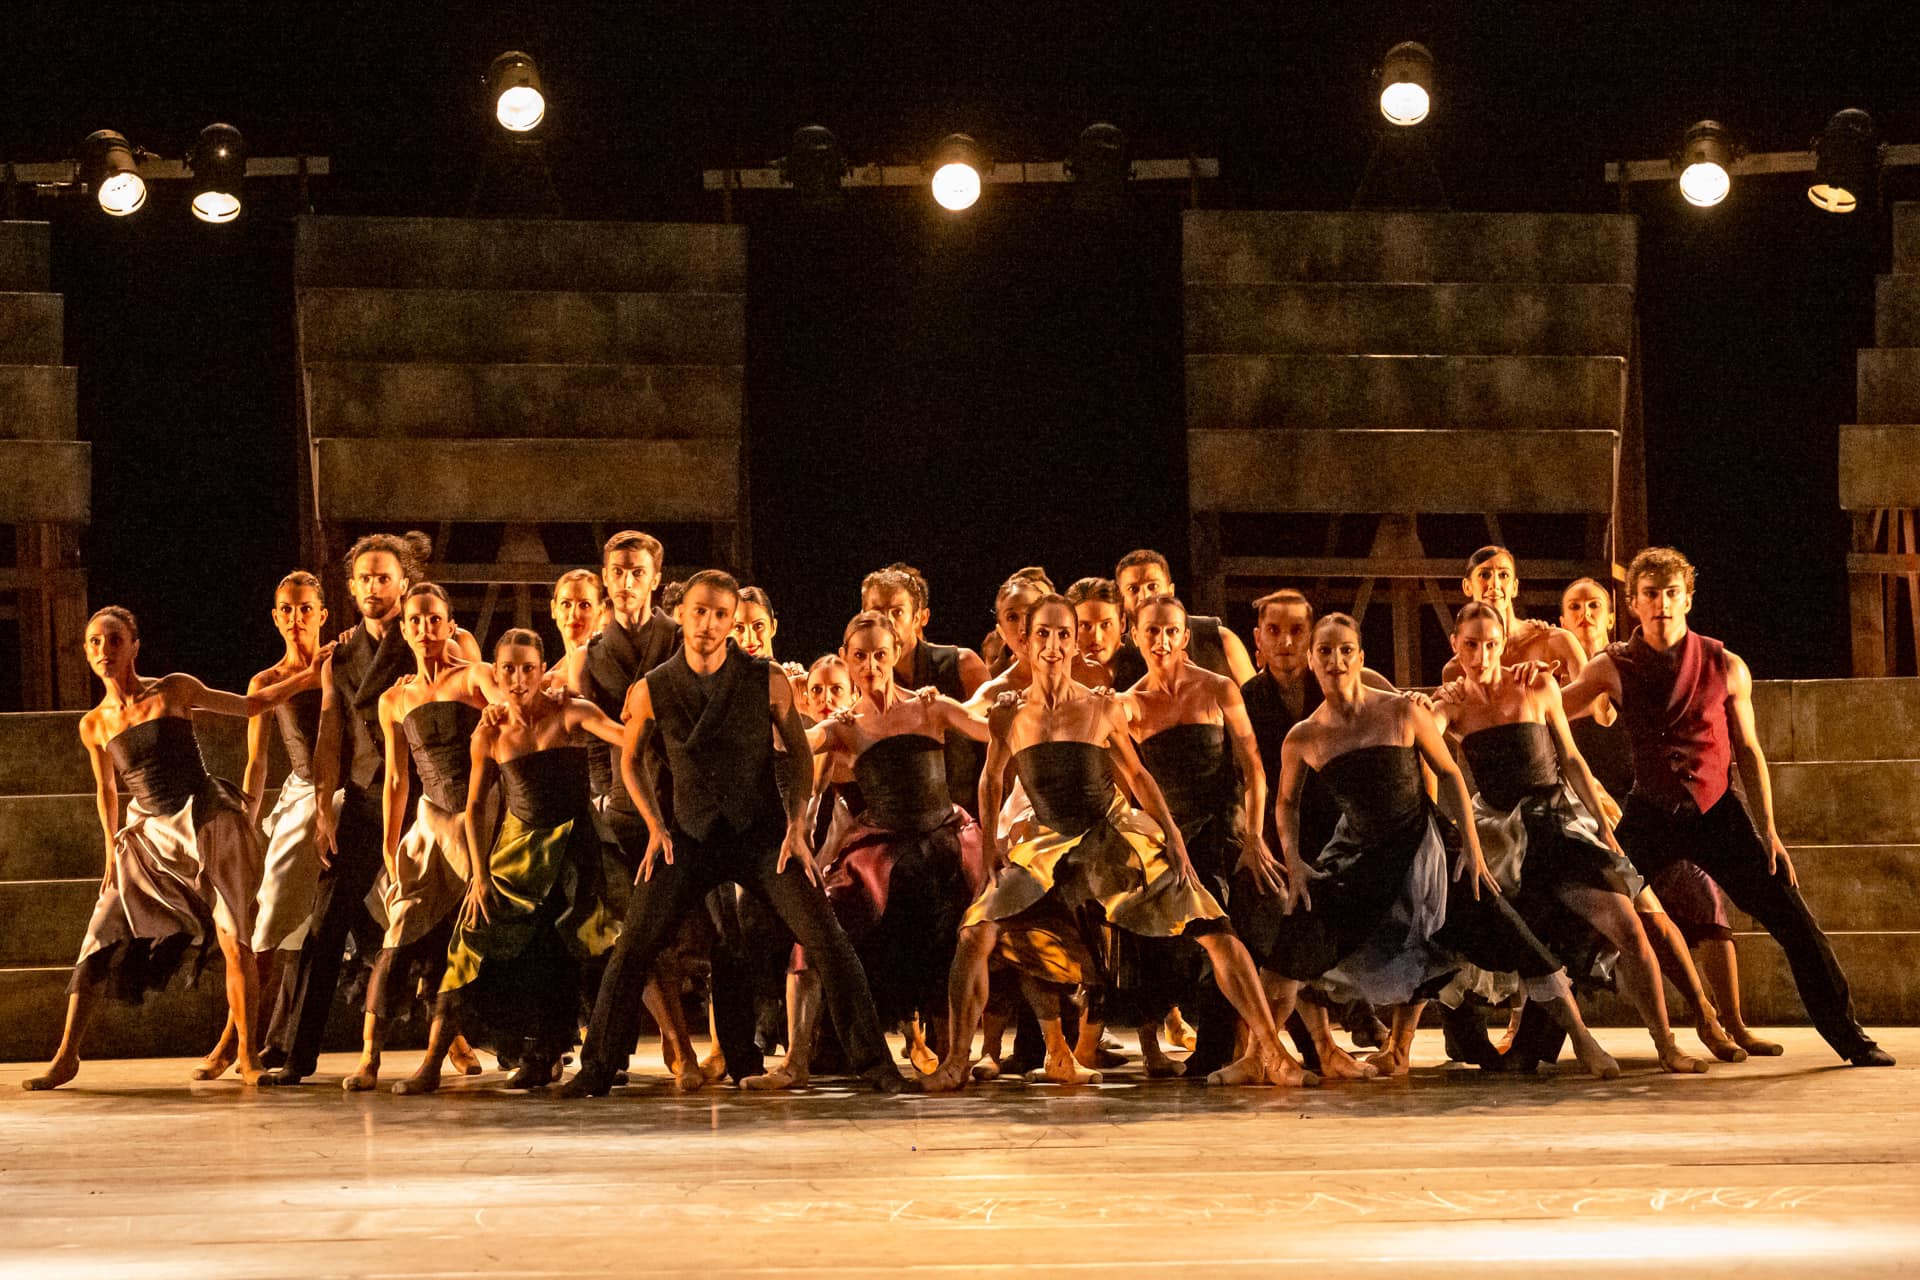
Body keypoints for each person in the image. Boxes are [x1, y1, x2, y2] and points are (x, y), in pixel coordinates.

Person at [922, 594, 1314, 1090]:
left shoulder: (1101, 707)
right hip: (1046, 843)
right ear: (1027, 640)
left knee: (1213, 925)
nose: (1053, 645)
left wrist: (1171, 836)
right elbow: (991, 778)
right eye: (1043, 634)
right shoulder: (1009, 713)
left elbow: (1138, 775)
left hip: (1110, 833)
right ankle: (957, 1060)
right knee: (975, 930)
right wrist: (993, 850)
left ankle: (1274, 1054)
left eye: (1063, 635)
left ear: (1072, 643)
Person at [557, 571, 906, 1096]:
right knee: (633, 945)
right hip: (688, 837)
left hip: (761, 834)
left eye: (721, 614)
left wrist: (794, 826)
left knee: (826, 938)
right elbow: (629, 761)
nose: (709, 623)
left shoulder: (765, 679)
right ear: (684, 615)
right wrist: (655, 825)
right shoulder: (654, 687)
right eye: (700, 612)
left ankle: (876, 1065)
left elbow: (797, 757)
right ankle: (597, 1069)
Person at [1559, 547, 1893, 1067]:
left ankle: (1852, 1039)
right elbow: (1552, 711)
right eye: (1651, 594)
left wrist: (1770, 831)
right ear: (1635, 604)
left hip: (1718, 814)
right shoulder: (1613, 665)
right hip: (1650, 813)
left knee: (1794, 921)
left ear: (1688, 599)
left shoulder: (1724, 663)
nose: (1663, 604)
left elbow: (1750, 751)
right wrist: (1513, 684)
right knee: (1585, 916)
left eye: (1672, 594)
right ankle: (1533, 1044)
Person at [1263, 613, 1621, 1080]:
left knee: (1510, 930)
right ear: (1312, 660)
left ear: (1361, 657)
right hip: (1360, 859)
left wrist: (1471, 847)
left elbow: (1450, 773)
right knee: (1298, 936)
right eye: (1325, 651)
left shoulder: (1399, 711)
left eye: (1346, 650)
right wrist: (1293, 862)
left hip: (1427, 850)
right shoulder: (1304, 736)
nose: (1336, 660)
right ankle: (1267, 1054)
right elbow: (1285, 801)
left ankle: (1583, 1038)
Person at [24, 607, 326, 1090]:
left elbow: (250, 706)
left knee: (235, 938)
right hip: (148, 835)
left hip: (205, 818)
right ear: (86, 651)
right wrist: (109, 853)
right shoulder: (94, 725)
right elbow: (107, 791)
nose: (104, 651)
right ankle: (66, 1056)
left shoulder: (173, 689)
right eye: (95, 643)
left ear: (134, 644)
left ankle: (247, 1055)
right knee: (99, 933)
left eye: (114, 640)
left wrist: (307, 676)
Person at [1426, 602, 1709, 1074]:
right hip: (1502, 834)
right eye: (1471, 645)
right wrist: (1414, 706)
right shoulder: (1451, 703)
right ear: (1455, 646)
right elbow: (1425, 746)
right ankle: (1499, 1040)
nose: (1481, 655)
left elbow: (1573, 759)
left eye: (1491, 644)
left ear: (1504, 643)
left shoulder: (1535, 683)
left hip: (1557, 823)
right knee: (1499, 936)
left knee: (1629, 924)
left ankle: (1668, 1045)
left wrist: (1602, 825)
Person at [745, 612, 990, 1090]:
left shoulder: (929, 707)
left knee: (961, 936)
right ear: (847, 659)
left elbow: (984, 724)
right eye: (860, 656)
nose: (871, 665)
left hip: (944, 840)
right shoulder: (845, 724)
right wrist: (787, 706)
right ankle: (796, 1062)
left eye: (881, 654)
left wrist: (1015, 695)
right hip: (880, 848)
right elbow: (788, 745)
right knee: (817, 933)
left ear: (896, 653)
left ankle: (956, 1058)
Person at [392, 629, 625, 1094]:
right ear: (496, 673)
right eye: (509, 670)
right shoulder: (492, 733)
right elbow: (476, 806)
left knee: (593, 942)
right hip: (519, 852)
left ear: (543, 672)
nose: (518, 679)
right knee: (470, 939)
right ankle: (433, 1063)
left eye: (528, 669)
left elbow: (627, 737)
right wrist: (479, 875)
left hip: (576, 849)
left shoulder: (570, 712)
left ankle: (638, 1054)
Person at [1561, 576, 1775, 1058]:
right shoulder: (1576, 675)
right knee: (1644, 917)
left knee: (1704, 899)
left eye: (1594, 605)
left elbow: (1608, 715)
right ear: (1562, 618)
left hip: (1645, 805)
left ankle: (1732, 1023)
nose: (1585, 615)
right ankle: (1701, 1019)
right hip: (1592, 819)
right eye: (1573, 608)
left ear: (1614, 612)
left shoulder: (1630, 664)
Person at [273, 531, 444, 1085]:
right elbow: (329, 734)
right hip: (368, 795)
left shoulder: (430, 633)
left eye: (384, 577)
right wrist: (324, 805)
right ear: (351, 588)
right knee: (325, 926)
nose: (374, 586)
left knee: (448, 924)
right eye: (365, 578)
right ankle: (297, 1058)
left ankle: (515, 1047)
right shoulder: (340, 656)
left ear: (404, 584)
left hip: (428, 797)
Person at [1110, 594, 1296, 1078]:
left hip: (1224, 828)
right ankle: (1171, 1047)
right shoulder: (1128, 704)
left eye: (1171, 630)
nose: (1162, 640)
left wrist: (1254, 837)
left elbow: (1254, 768)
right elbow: (1133, 780)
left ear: (1185, 636)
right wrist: (1161, 837)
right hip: (1169, 836)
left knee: (1265, 921)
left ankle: (1261, 1048)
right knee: (1182, 936)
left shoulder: (1217, 688)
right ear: (1135, 636)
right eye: (1151, 631)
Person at [344, 582, 498, 1091]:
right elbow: (395, 778)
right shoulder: (395, 698)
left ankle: (434, 1059)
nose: (425, 628)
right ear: (404, 629)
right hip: (431, 822)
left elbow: (514, 711)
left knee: (462, 939)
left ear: (450, 625)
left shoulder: (475, 677)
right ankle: (369, 1057)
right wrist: (391, 843)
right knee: (399, 933)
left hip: (481, 816)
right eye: (416, 620)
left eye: (435, 619)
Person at [195, 571, 337, 1078]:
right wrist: (247, 824)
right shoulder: (267, 680)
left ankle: (450, 1039)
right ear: (276, 617)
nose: (296, 618)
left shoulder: (341, 661)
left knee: (392, 910)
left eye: (305, 609)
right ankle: (235, 1040)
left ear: (322, 613)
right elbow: (257, 763)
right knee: (263, 919)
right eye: (286, 609)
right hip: (300, 792)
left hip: (347, 789)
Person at [861, 564, 989, 816]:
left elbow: (995, 747)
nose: (887, 621)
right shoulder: (858, 676)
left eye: (897, 612)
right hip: (894, 820)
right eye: (877, 611)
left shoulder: (962, 664)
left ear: (919, 617)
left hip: (964, 816)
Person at [1108, 549, 1257, 688]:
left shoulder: (1219, 639)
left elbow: (1255, 701)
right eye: (1133, 589)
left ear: (1170, 591)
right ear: (1120, 598)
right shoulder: (1120, 657)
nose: (1144, 596)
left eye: (1153, 586)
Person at [1440, 546, 1587, 682]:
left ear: (1515, 587)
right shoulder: (1456, 669)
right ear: (1467, 586)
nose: (1495, 584)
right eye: (1484, 575)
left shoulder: (1556, 641)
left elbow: (1594, 701)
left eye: (1503, 575)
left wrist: (1546, 690)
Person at [1066, 577, 1126, 685]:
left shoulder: (1144, 667)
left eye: (1105, 624)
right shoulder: (1058, 672)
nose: (1097, 638)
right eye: (1085, 626)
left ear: (1122, 624)